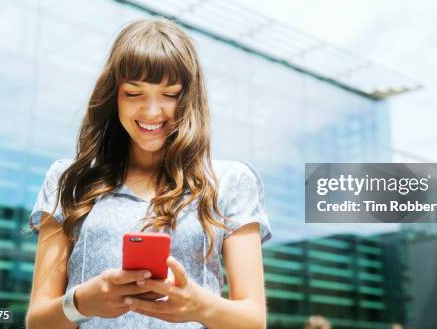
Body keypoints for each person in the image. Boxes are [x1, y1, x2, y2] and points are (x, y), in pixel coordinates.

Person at [25, 18, 272, 328]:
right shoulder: (69, 179)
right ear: (113, 95)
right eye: (133, 93)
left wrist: (200, 307)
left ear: (189, 98)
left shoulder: (230, 182)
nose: (153, 111)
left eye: (169, 94)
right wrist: (80, 303)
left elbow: (254, 320)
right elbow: (38, 322)